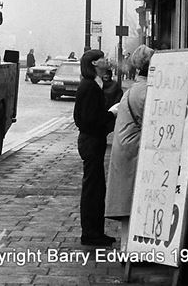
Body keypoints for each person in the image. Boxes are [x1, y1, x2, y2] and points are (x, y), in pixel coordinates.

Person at [105, 45, 155, 250]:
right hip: (134, 152)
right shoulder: (146, 91)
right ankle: (131, 250)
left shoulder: (135, 88)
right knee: (134, 203)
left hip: (126, 149)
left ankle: (127, 249)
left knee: (128, 203)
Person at [73, 49, 116, 246]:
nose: (106, 61)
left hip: (91, 140)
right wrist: (111, 115)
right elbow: (89, 120)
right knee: (93, 188)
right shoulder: (90, 87)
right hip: (91, 141)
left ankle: (94, 231)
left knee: (96, 187)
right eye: (102, 59)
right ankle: (90, 233)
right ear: (94, 64)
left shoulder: (92, 85)